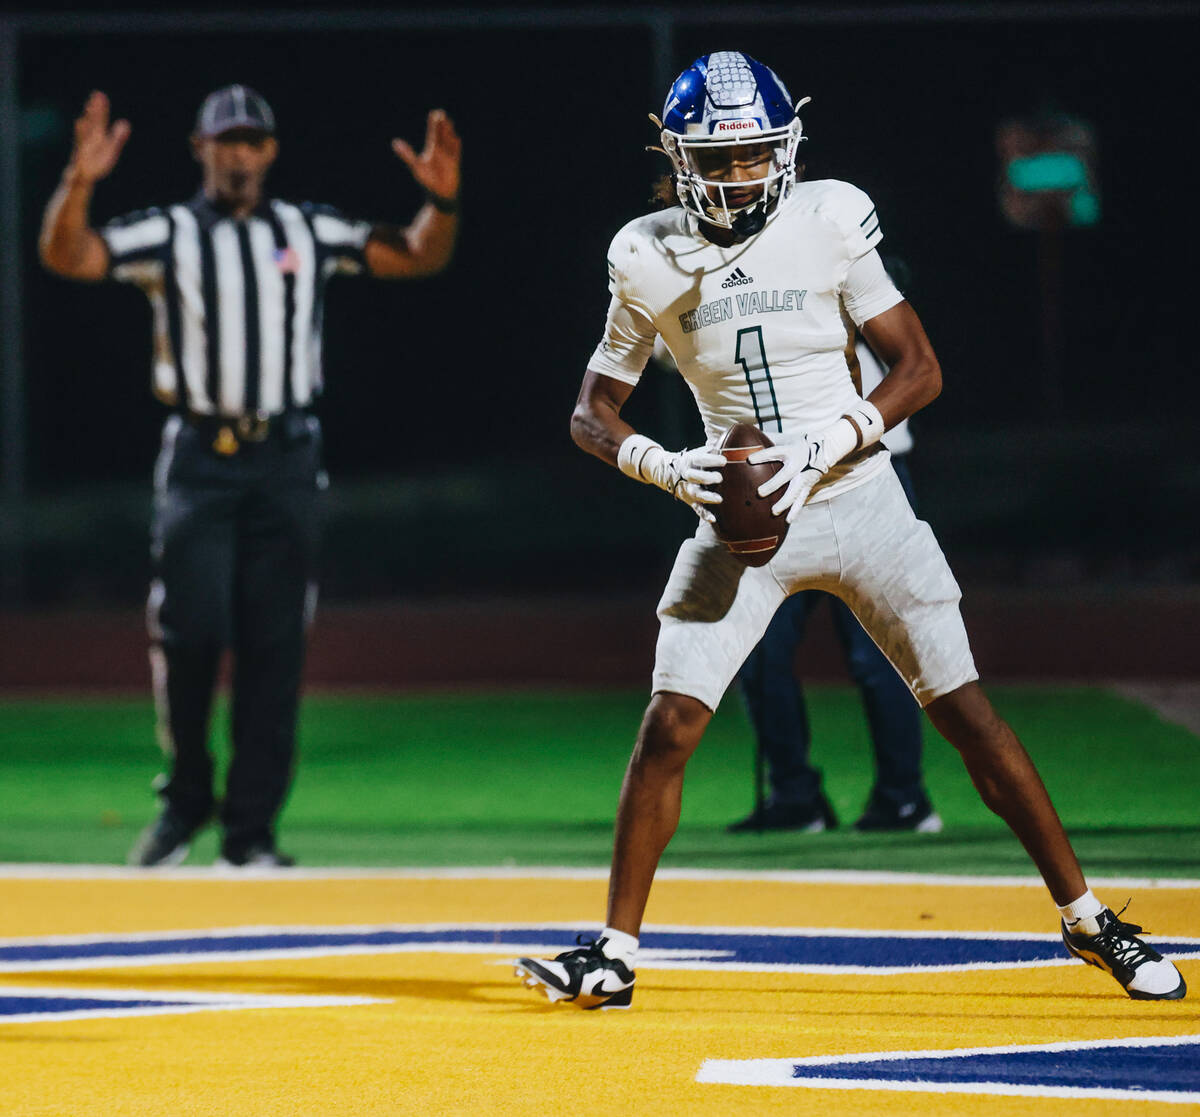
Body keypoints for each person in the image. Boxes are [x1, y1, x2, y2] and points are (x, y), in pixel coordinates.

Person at [514, 51, 1184, 1007]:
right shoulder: (644, 253)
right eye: (717, 155)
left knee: (966, 712)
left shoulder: (828, 219)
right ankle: (615, 949)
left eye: (753, 153)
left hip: (861, 496)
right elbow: (591, 410)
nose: (738, 173)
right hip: (737, 519)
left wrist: (832, 437)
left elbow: (917, 366)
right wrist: (662, 464)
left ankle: (1089, 920)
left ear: (785, 150)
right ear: (677, 156)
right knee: (668, 725)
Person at [39, 86, 461, 867]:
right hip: (200, 457)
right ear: (200, 147)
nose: (238, 154)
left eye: (251, 141)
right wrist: (79, 180)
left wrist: (441, 202)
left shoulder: (305, 226)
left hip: (286, 457)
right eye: (225, 140)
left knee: (275, 647)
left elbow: (414, 253)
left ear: (269, 151)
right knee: (191, 630)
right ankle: (187, 797)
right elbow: (70, 255)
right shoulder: (168, 232)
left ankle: (251, 832)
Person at [730, 293, 940, 835]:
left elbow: (914, 380)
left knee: (881, 655)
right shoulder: (755, 300)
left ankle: (904, 798)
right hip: (778, 489)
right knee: (757, 648)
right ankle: (795, 796)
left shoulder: (838, 305)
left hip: (867, 479)